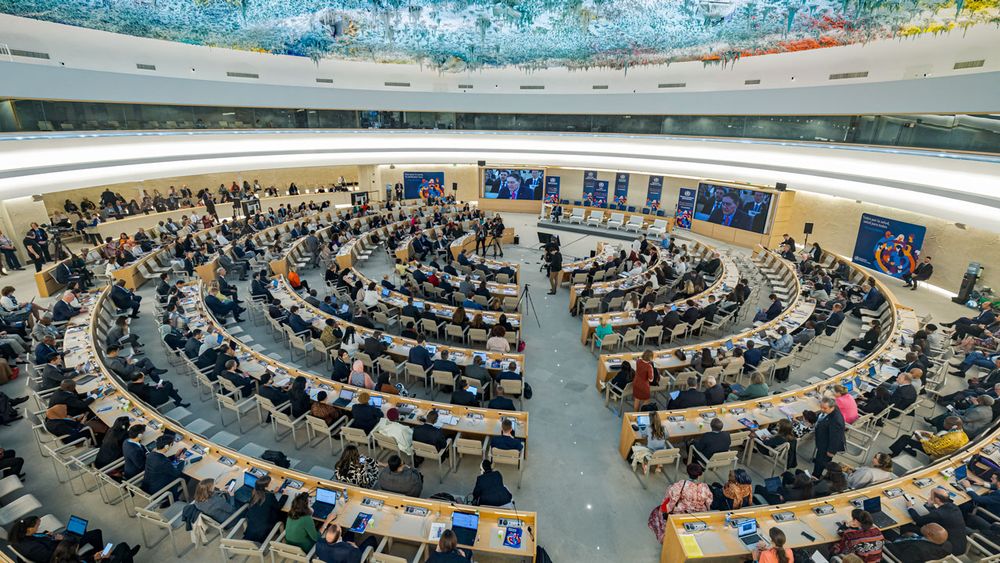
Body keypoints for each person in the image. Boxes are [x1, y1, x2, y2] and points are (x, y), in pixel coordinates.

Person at [648, 463, 713, 542]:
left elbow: (671, 500)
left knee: (658, 512)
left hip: (683, 512)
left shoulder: (681, 485)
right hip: (699, 513)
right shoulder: (704, 486)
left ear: (688, 473)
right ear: (699, 475)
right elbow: (709, 502)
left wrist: (667, 510)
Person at [903, 487, 966, 555]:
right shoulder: (953, 507)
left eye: (931, 496)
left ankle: (902, 541)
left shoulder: (938, 514)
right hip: (961, 544)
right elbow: (937, 515)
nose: (930, 497)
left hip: (949, 548)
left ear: (936, 499)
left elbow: (918, 520)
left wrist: (910, 507)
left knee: (907, 526)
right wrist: (930, 505)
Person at [889, 416, 968, 458]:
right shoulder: (962, 434)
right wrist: (928, 435)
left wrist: (921, 439)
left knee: (905, 438)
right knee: (912, 438)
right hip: (940, 448)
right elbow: (942, 440)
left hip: (934, 453)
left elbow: (934, 448)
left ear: (954, 426)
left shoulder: (952, 437)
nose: (943, 424)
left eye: (946, 423)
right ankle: (907, 449)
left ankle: (893, 454)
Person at [243, 475, 286, 544]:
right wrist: (284, 495)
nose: (272, 483)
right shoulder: (269, 496)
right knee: (284, 514)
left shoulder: (255, 492)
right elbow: (278, 506)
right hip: (263, 531)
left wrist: (272, 492)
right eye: (271, 483)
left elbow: (265, 499)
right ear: (266, 486)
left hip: (253, 527)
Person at [883, 523, 952, 562]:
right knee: (886, 529)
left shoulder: (917, 549)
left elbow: (901, 557)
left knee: (881, 531)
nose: (924, 525)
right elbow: (924, 542)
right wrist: (914, 536)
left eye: (926, 526)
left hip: (894, 548)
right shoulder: (947, 545)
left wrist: (887, 543)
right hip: (908, 544)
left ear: (930, 534)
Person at [313, 523, 380, 563]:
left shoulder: (319, 544)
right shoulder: (349, 551)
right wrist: (355, 547)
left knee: (350, 532)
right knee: (372, 539)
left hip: (333, 557)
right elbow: (357, 558)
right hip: (351, 556)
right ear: (339, 537)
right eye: (340, 530)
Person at [813, 397, 846, 476]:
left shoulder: (836, 420)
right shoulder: (832, 411)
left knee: (820, 463)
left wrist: (831, 451)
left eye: (825, 408)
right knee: (819, 460)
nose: (822, 410)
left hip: (827, 447)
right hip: (823, 442)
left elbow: (835, 437)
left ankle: (815, 477)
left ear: (832, 407)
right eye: (821, 407)